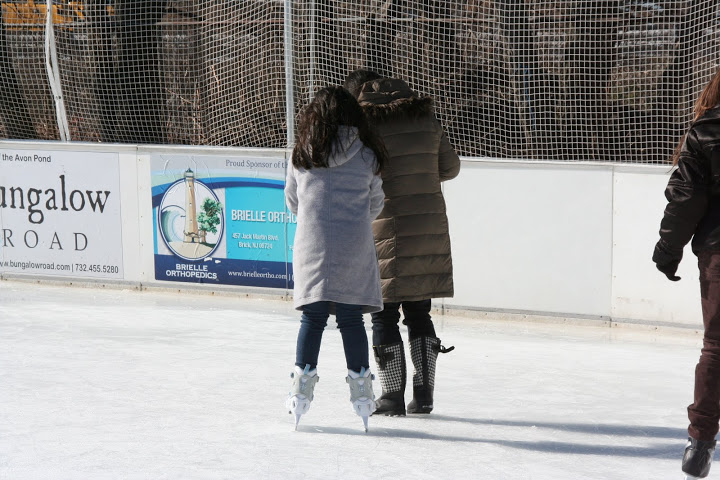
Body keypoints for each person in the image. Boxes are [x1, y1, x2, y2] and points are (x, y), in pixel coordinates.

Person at [343, 70, 460, 416]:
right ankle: (424, 396)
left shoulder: (364, 125)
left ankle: (392, 396)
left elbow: (355, 173)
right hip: (428, 225)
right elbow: (450, 168)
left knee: (384, 315)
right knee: (420, 312)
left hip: (385, 225)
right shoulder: (425, 117)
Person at [284, 86, 387, 431]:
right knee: (351, 319)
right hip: (352, 246)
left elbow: (293, 201)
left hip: (312, 245)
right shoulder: (367, 155)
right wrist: (353, 221)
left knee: (312, 318)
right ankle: (362, 392)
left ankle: (300, 388)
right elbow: (376, 203)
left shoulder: (302, 154)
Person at [653, 70, 720, 479]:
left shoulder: (707, 129)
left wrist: (668, 248)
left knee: (717, 346)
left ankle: (700, 444)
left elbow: (686, 197)